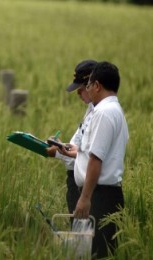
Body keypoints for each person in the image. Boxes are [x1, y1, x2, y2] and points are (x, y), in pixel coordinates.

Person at [61, 61, 129, 258]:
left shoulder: (103, 113)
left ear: (97, 85)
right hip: (102, 194)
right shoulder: (112, 111)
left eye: (88, 85)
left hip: (100, 196)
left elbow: (96, 159)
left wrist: (84, 198)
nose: (86, 91)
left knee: (95, 253)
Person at [46, 60, 97, 214]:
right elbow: (79, 147)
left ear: (93, 85)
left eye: (81, 89)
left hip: (86, 186)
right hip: (76, 181)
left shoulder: (101, 115)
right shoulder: (90, 110)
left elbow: (91, 156)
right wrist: (61, 147)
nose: (78, 93)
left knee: (84, 235)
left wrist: (57, 151)